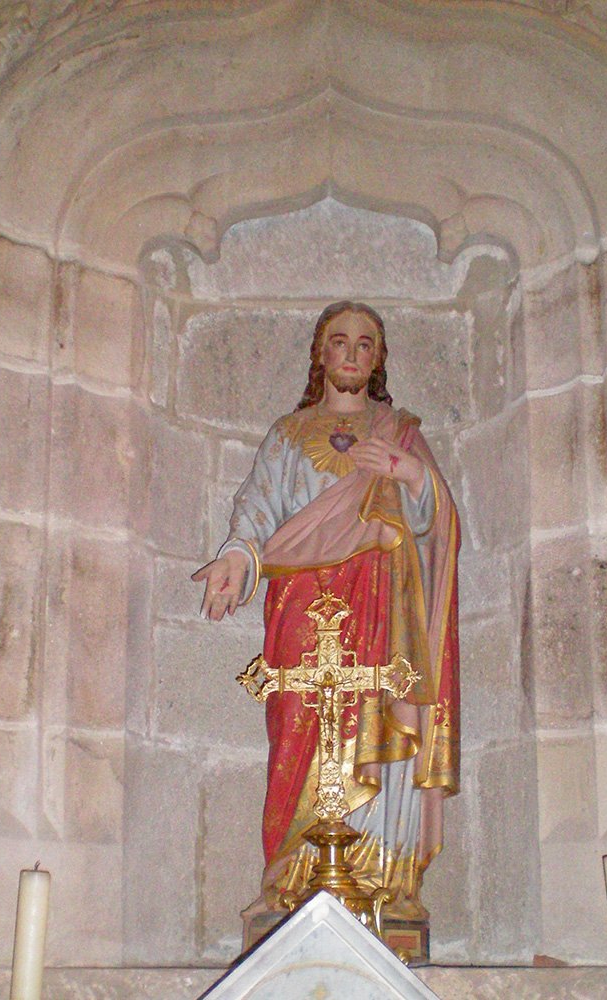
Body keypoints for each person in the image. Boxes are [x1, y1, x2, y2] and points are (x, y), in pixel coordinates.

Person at [193, 301, 460, 927]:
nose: (351, 354)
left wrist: (408, 471)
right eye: (338, 342)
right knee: (299, 729)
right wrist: (237, 555)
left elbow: (437, 524)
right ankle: (291, 880)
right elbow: (257, 513)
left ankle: (381, 881)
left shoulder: (401, 432)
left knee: (377, 723)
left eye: (365, 344)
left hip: (382, 608)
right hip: (304, 611)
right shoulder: (288, 434)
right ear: (320, 353)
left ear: (377, 358)